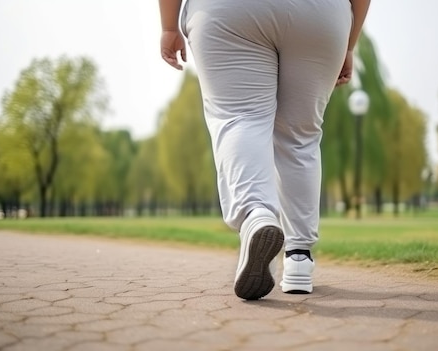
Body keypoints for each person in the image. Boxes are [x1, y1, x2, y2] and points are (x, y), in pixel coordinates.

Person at [159, 0, 371, 300]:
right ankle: (299, 258)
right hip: (320, 13)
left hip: (227, 11)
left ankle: (257, 215)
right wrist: (347, 44)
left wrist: (169, 26)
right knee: (300, 136)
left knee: (239, 117)